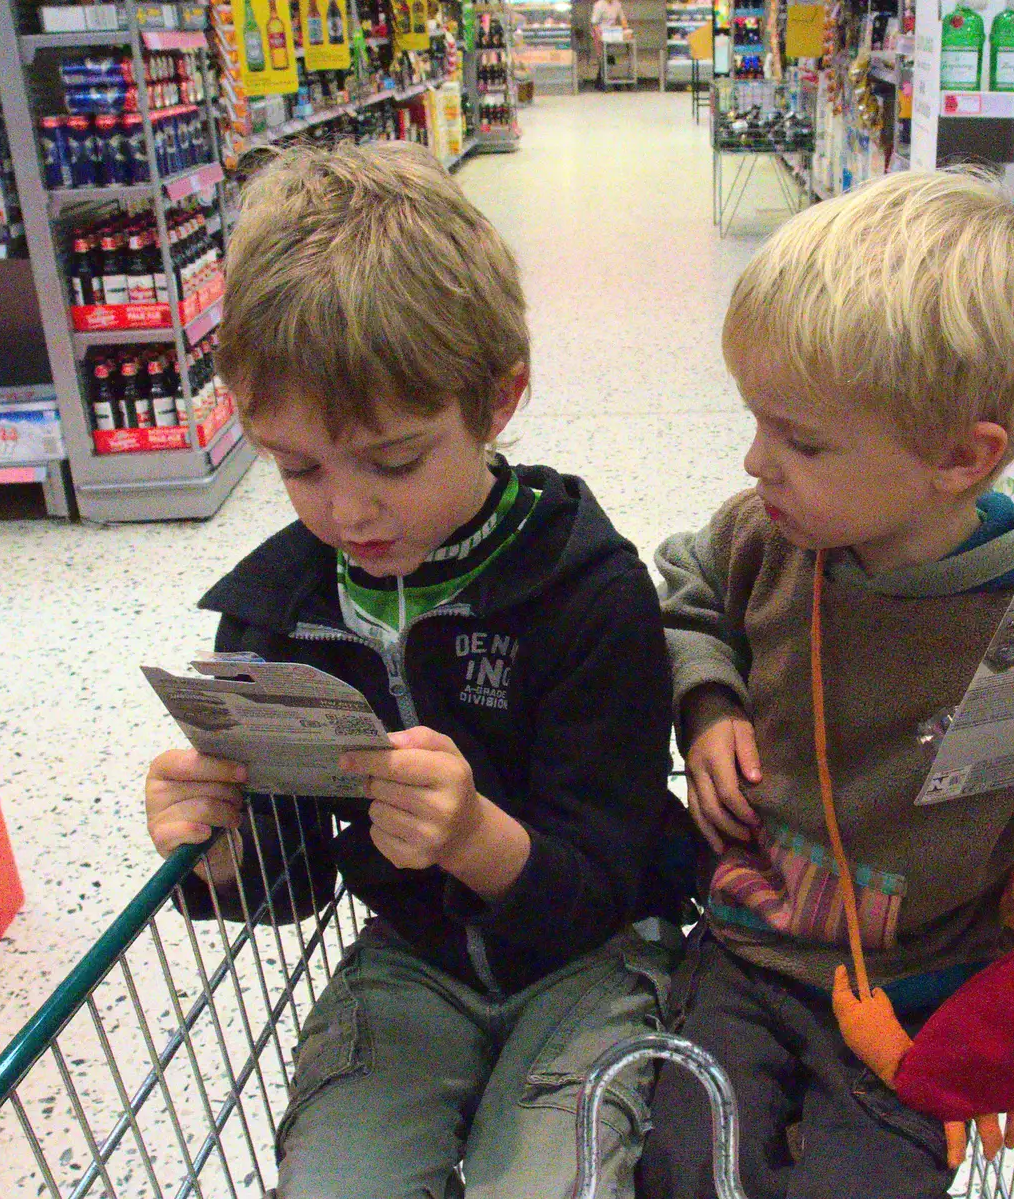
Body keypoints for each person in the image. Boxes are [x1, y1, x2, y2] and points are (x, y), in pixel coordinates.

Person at [636, 168, 1014, 1199]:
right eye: (757, 422)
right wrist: (709, 698)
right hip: (743, 952)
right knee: (676, 1164)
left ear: (961, 457)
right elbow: (683, 582)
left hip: (922, 987)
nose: (754, 460)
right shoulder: (767, 536)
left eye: (801, 440)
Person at [142, 141, 680, 1199]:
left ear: (498, 399)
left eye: (393, 459)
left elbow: (619, 867)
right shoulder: (279, 613)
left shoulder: (589, 593)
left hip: (592, 964)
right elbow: (294, 876)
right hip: (409, 964)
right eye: (298, 466)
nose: (347, 509)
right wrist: (220, 851)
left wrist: (479, 839)